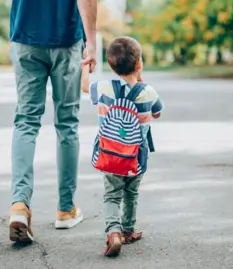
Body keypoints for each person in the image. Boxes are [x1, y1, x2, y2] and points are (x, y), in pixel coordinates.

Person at [8, 0, 97, 243]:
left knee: (26, 121)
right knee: (67, 124)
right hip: (65, 39)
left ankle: (19, 205)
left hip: (25, 35)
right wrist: (91, 42)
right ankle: (66, 210)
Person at [81, 36, 164, 257]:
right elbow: (157, 113)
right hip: (136, 156)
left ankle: (113, 233)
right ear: (139, 64)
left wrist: (84, 67)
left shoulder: (104, 88)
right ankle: (128, 230)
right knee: (131, 193)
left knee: (111, 195)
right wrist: (141, 81)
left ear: (111, 65)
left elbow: (83, 87)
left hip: (109, 155)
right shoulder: (148, 92)